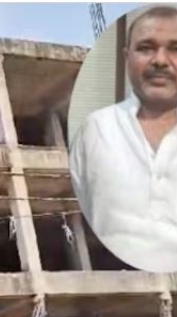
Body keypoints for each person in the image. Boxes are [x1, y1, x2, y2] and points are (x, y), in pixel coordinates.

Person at [70, 5, 177, 272]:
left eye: (175, 48)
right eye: (146, 48)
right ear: (127, 57)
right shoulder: (96, 129)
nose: (161, 60)